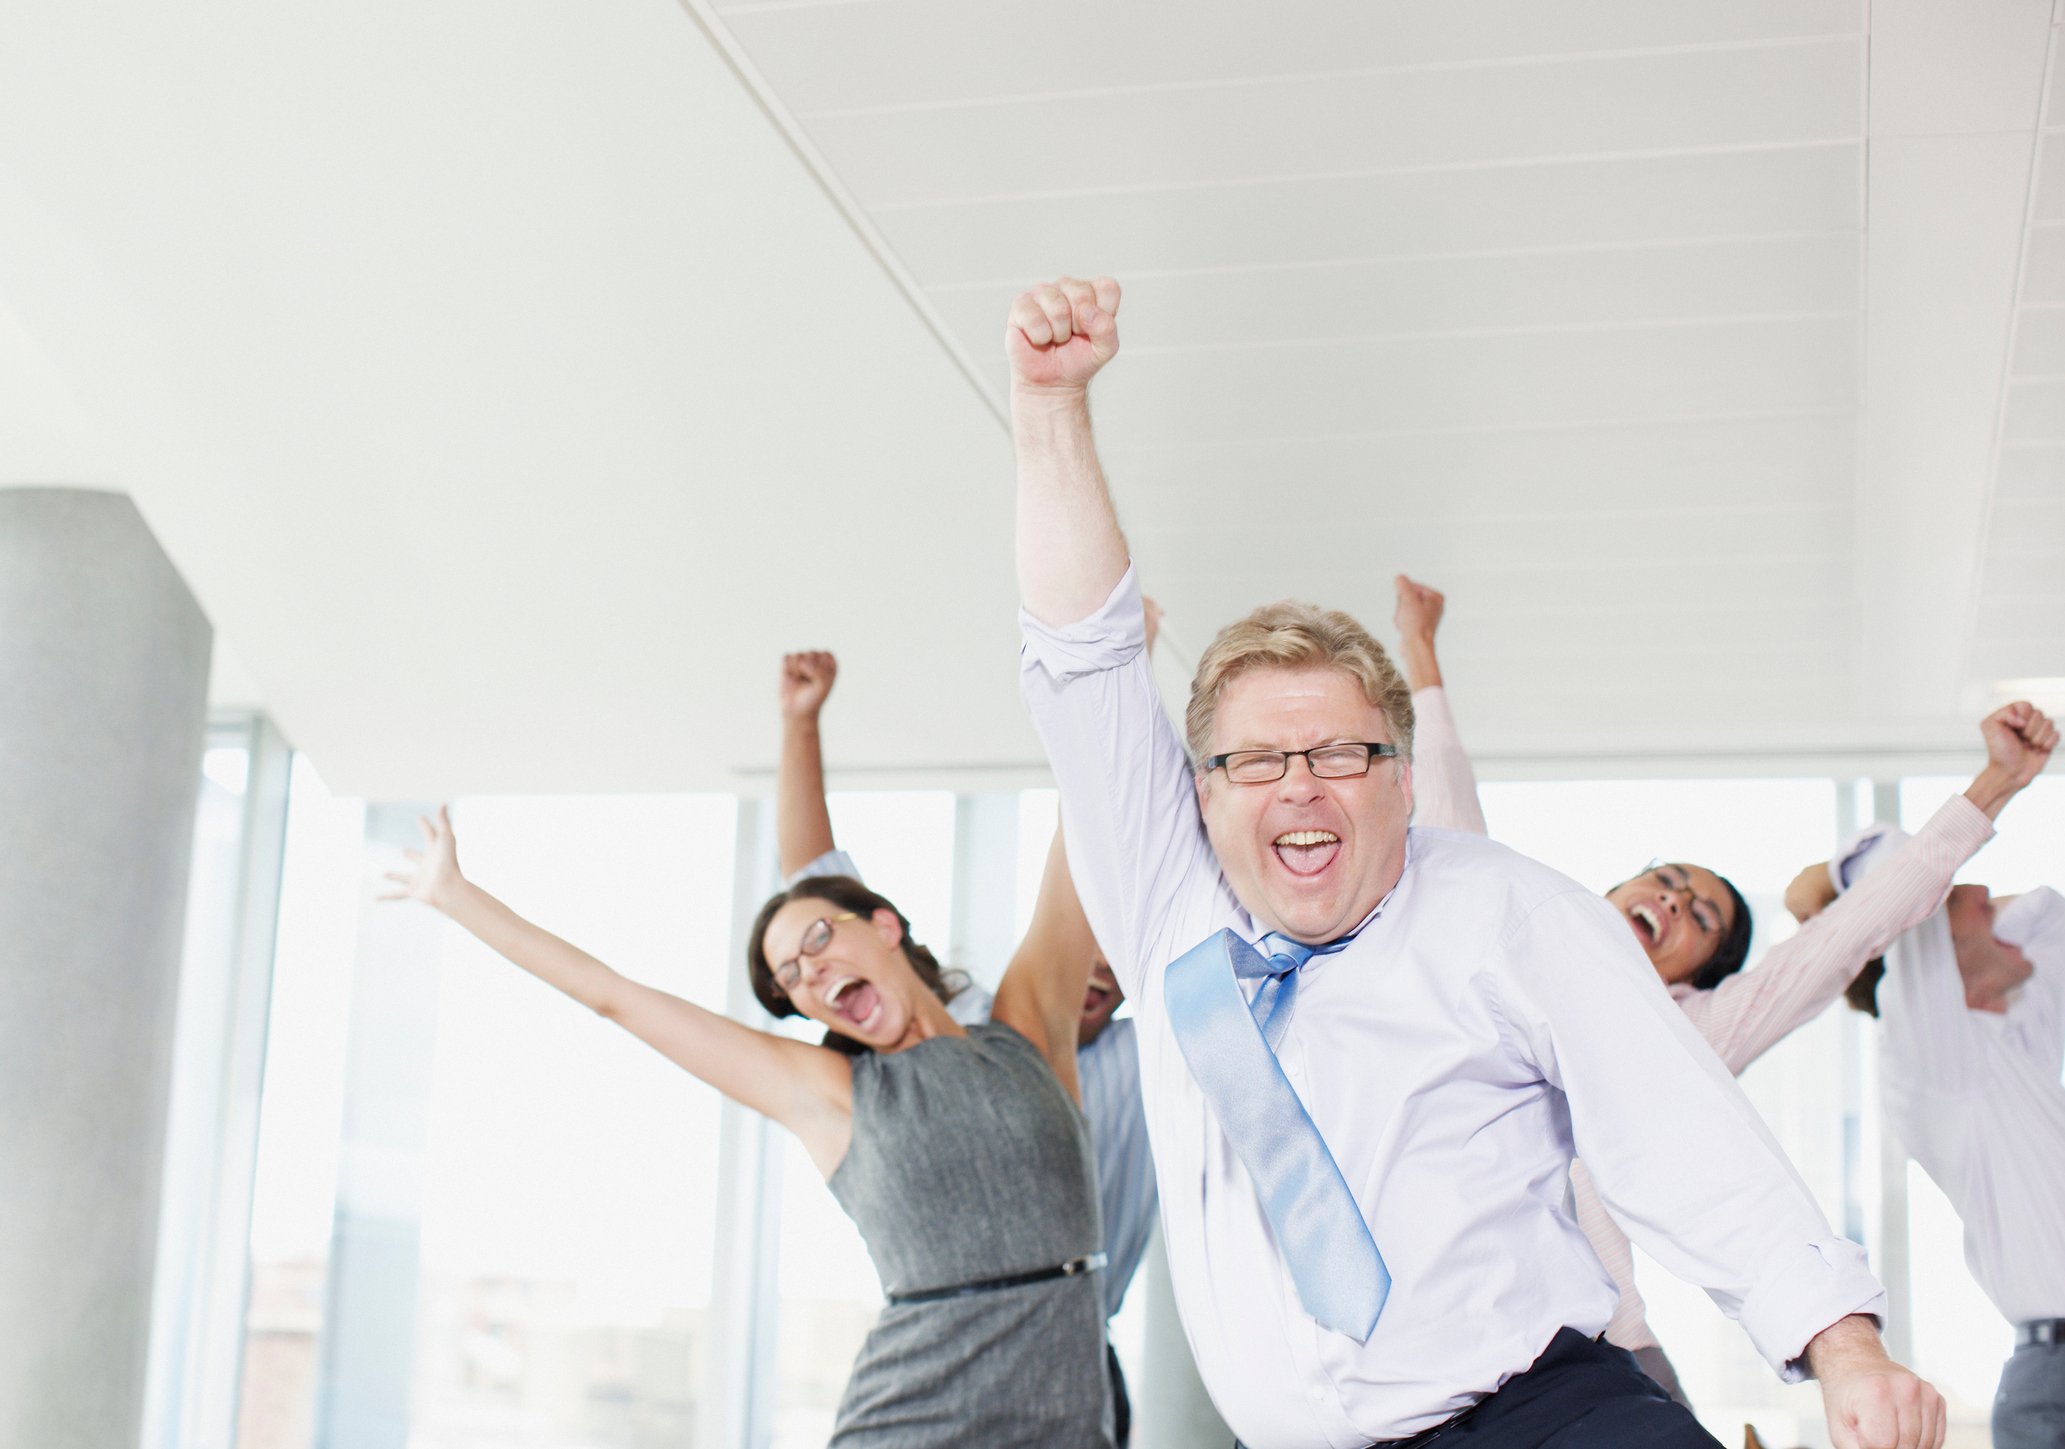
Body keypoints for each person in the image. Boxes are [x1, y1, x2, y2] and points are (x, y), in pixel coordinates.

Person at [1007, 273, 1945, 1449]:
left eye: (1340, 754)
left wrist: (1841, 1346)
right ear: (1202, 790)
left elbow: (1677, 1132)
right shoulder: (1166, 914)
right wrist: (1049, 411)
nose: (1298, 784)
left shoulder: (1512, 913)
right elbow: (1083, 658)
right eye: (1258, 760)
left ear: (1402, 780)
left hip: (1541, 1418)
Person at [1392, 574, 2055, 1407]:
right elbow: (1451, 821)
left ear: (1691, 978)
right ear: (1617, 886)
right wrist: (1420, 649)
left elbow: (1849, 931)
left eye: (1696, 914)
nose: (1670, 899)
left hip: (1601, 1356)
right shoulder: (1503, 957)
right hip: (1442, 1357)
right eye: (1665, 880)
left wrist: (1996, 784)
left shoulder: (1684, 1031)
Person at [383, 799, 1117, 1447]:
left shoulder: (1026, 1028)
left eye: (819, 939)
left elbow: (1079, 826)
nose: (810, 973)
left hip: (1069, 1409)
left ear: (885, 925)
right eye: (791, 977)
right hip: (915, 1419)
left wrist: (1113, 654)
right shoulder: (834, 1092)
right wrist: (456, 896)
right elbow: (617, 997)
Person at [773, 646, 1157, 1442]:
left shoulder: (1150, 1058)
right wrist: (799, 723)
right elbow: (813, 895)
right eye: (1085, 948)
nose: (1096, 967)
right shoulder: (969, 1027)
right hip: (957, 1337)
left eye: (1116, 959)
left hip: (1078, 1344)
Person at [1805, 705, 2065, 1449]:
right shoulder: (1935, 1063)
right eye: (1965, 899)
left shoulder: (2011, 1059)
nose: (1989, 897)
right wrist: (1834, 888)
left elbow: (2054, 916)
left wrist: (1966, 923)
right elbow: (1892, 859)